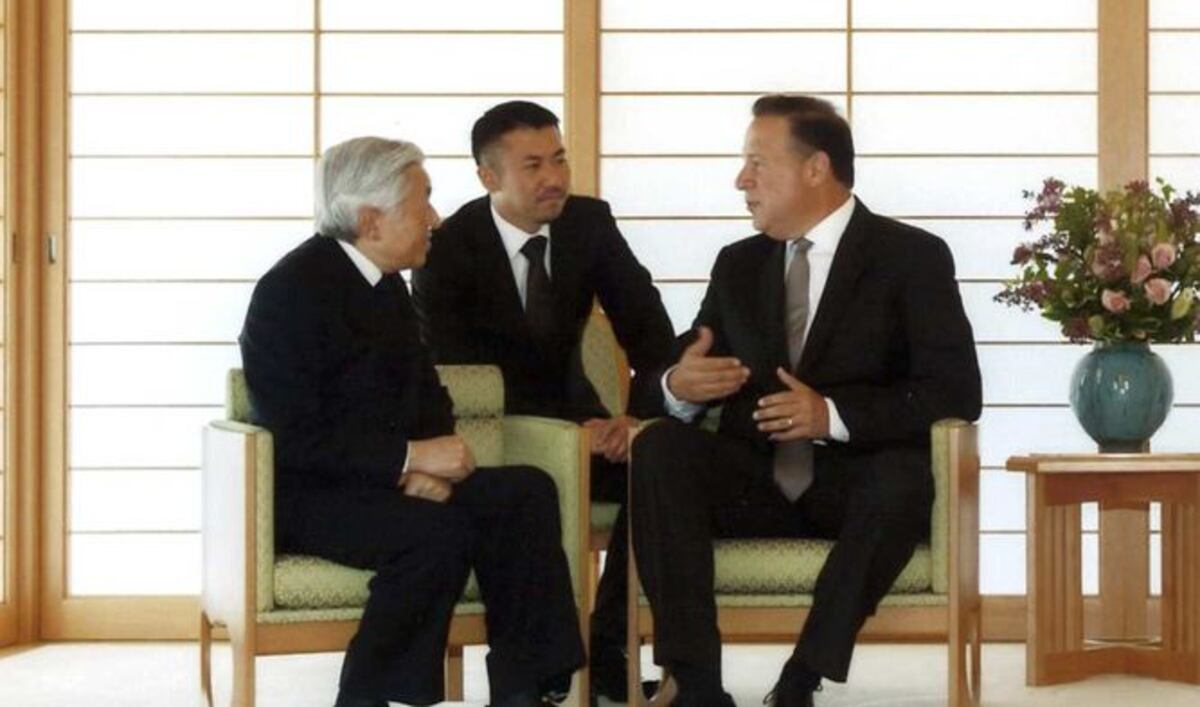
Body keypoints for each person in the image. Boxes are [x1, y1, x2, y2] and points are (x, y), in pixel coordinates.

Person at [629, 95, 983, 706]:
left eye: (757, 163)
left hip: (854, 481)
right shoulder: (738, 265)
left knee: (901, 481)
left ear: (816, 168)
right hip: (754, 478)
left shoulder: (910, 256)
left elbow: (956, 391)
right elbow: (684, 362)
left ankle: (802, 677)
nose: (741, 180)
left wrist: (832, 416)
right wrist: (677, 386)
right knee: (661, 447)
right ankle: (696, 684)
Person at [239, 136, 584, 707]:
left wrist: (428, 466)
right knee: (433, 534)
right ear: (371, 220)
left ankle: (525, 688)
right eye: (422, 201)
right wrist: (406, 462)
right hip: (315, 495)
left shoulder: (389, 287)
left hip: (391, 483)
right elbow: (296, 436)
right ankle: (366, 697)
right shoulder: (289, 292)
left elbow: (430, 398)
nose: (436, 219)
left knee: (524, 492)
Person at [412, 101, 676, 702]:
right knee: (527, 494)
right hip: (495, 437)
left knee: (662, 472)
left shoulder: (588, 223)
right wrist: (564, 434)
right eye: (532, 166)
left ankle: (606, 647)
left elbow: (651, 335)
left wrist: (634, 419)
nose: (554, 178)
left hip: (588, 426)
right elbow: (464, 380)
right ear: (489, 176)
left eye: (559, 159)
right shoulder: (447, 249)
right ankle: (541, 670)